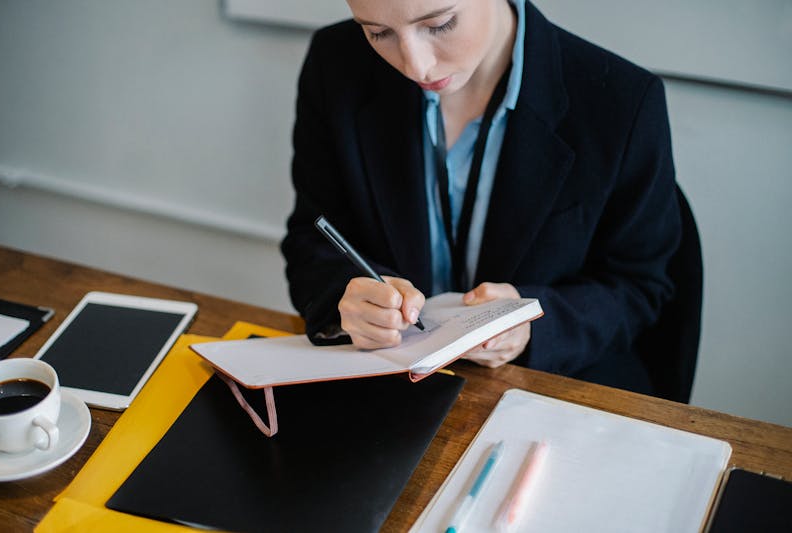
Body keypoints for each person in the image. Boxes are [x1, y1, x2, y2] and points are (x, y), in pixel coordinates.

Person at [281, 0, 681, 394]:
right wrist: (347, 300)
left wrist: (534, 325)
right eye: (378, 33)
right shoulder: (334, 64)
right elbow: (311, 239)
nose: (415, 65)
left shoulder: (621, 101)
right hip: (392, 389)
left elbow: (640, 285)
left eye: (439, 23)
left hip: (547, 391)